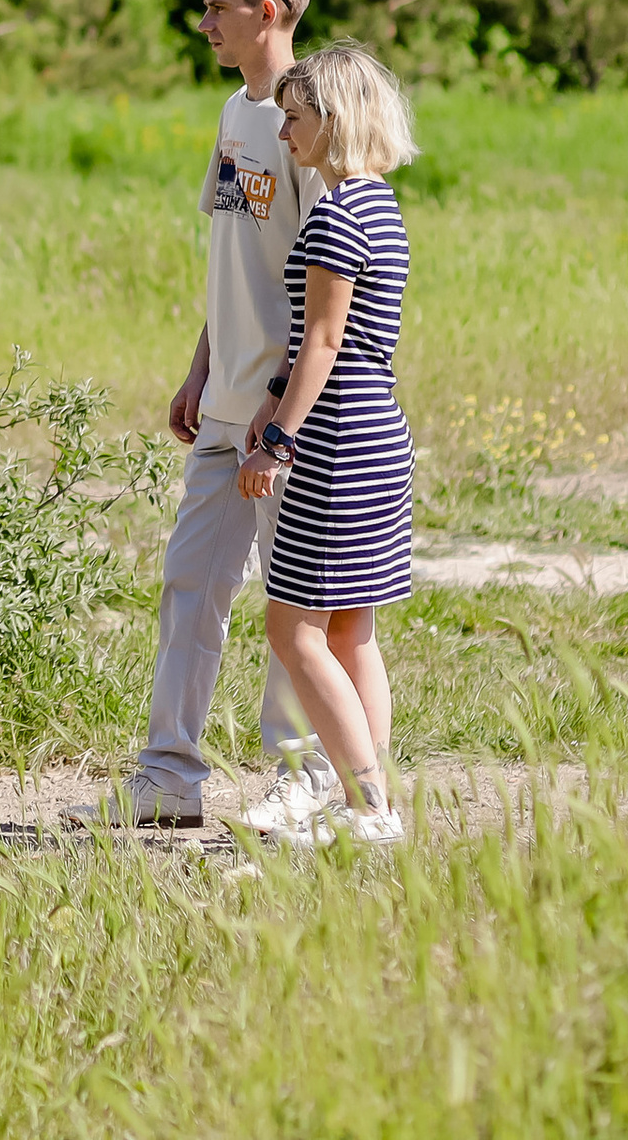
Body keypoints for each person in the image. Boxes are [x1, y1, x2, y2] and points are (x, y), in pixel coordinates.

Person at [67, 0, 338, 830]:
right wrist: (199, 367)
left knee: (292, 600)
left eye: (216, 7)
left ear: (268, 11)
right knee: (191, 582)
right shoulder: (232, 113)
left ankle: (299, 776)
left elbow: (319, 283)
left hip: (280, 412)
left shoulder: (312, 124)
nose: (203, 22)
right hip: (223, 401)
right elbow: (232, 252)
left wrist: (277, 402)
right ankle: (169, 776)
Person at [237, 42, 420, 848]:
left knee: (294, 631)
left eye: (296, 118)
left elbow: (322, 339)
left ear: (333, 121)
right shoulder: (381, 205)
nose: (285, 134)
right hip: (380, 435)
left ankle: (369, 811)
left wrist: (276, 440)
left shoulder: (337, 213)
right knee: (352, 631)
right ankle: (373, 805)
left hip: (338, 446)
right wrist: (273, 397)